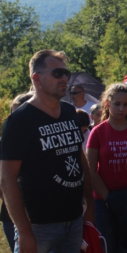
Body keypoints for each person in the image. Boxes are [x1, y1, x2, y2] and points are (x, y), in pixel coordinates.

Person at [0, 49, 94, 253]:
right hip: (39, 227)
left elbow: (80, 160)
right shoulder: (19, 122)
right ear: (37, 78)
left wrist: (90, 204)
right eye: (57, 73)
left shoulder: (70, 112)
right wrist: (24, 233)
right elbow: (7, 179)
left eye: (66, 73)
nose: (64, 79)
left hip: (74, 219)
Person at [87, 83, 127, 252]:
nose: (121, 109)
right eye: (117, 104)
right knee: (108, 246)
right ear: (107, 103)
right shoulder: (98, 132)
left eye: (126, 104)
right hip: (104, 202)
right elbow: (91, 170)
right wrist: (109, 198)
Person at [0, 92, 34, 252]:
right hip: (11, 214)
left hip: (41, 216)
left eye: (20, 114)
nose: (16, 120)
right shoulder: (6, 141)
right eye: (14, 114)